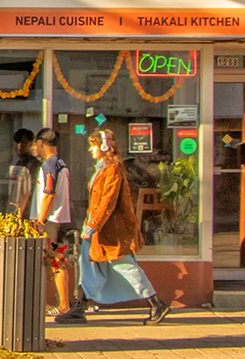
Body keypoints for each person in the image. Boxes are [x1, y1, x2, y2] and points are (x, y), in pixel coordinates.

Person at [56, 128, 171, 325]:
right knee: (87, 267)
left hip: (110, 231)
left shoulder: (112, 170)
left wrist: (93, 225)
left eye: (93, 145)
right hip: (98, 230)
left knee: (125, 267)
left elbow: (107, 201)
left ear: (104, 147)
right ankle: (79, 307)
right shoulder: (103, 168)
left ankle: (156, 303)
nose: (91, 150)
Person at [30, 127, 74, 315]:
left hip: (52, 220)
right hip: (60, 218)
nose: (34, 148)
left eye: (35, 144)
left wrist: (40, 220)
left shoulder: (49, 165)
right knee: (57, 260)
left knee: (57, 262)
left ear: (41, 143)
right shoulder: (60, 163)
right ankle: (64, 302)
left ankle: (64, 304)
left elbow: (49, 194)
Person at [8, 128, 40, 215]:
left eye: (23, 142)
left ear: (30, 144)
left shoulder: (34, 164)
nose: (19, 146)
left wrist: (21, 212)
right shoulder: (16, 163)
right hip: (15, 207)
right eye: (17, 142)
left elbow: (29, 191)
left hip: (28, 211)